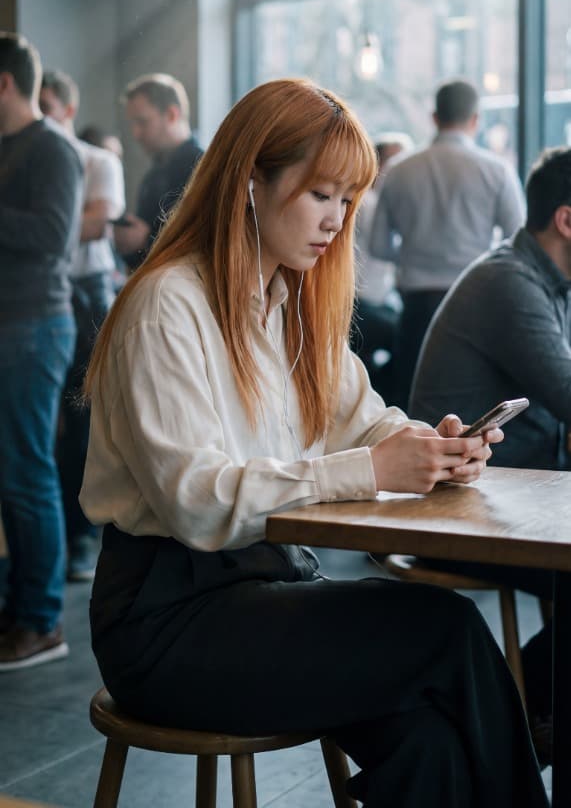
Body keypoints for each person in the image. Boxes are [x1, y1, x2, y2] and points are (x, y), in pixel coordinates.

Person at [78, 78, 547, 808]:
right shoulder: (165, 307)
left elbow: (364, 417)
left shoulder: (289, 301)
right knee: (446, 631)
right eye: (318, 194)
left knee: (429, 737)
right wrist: (368, 468)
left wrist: (433, 446)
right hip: (166, 620)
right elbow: (196, 503)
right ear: (248, 184)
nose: (335, 221)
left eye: (346, 200)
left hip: (267, 586)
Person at [408, 145, 571, 762]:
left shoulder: (548, 282)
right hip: (459, 510)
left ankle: (520, 727)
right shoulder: (510, 282)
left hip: (517, 501)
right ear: (566, 220)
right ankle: (505, 731)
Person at [0, 34, 83, 669]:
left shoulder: (52, 148)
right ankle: (18, 609)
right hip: (12, 323)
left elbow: (55, 237)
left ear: (4, 84)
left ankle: (42, 620)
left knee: (28, 471)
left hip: (34, 325)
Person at [369, 79, 525, 410]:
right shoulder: (496, 171)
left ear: (434, 117)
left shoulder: (398, 171)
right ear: (476, 120)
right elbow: (517, 243)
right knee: (472, 407)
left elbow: (379, 246)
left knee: (412, 407)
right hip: (476, 304)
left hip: (416, 308)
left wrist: (413, 254)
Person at [39, 70, 125, 582]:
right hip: (37, 292)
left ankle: (80, 539)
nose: (42, 113)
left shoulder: (99, 160)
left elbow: (97, 221)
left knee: (82, 420)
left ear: (68, 110)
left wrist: (41, 219)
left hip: (87, 294)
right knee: (42, 426)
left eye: (47, 104)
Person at [113, 73, 202, 270]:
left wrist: (146, 239)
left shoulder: (205, 170)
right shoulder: (153, 175)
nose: (136, 133)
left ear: (171, 115)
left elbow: (208, 243)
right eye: (133, 124)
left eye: (142, 122)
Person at [352, 132, 413, 401]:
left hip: (372, 300)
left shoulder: (370, 201)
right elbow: (385, 246)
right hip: (361, 304)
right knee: (406, 337)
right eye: (395, 163)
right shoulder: (369, 203)